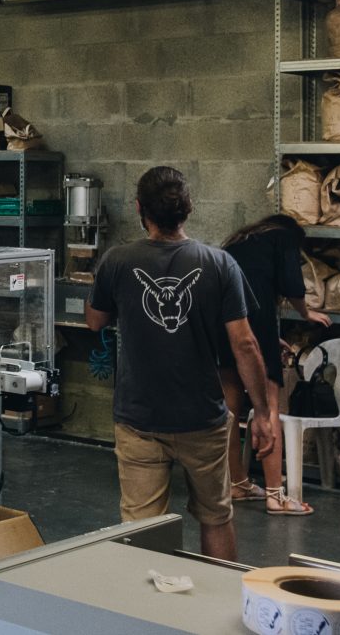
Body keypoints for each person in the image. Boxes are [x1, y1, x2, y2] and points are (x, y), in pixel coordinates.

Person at [87, 166, 278, 561]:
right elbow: (246, 345)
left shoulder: (117, 261)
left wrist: (109, 287)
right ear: (187, 210)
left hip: (139, 419)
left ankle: (151, 614)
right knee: (216, 517)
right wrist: (262, 412)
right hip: (203, 421)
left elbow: (95, 321)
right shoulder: (220, 264)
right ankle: (214, 609)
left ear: (140, 209)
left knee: (141, 529)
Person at [221, 215, 329, 515]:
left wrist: (271, 338)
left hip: (223, 323)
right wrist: (307, 314)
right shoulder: (285, 238)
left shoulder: (238, 242)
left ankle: (237, 484)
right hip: (254, 323)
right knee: (270, 405)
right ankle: (275, 495)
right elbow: (293, 286)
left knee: (229, 411)